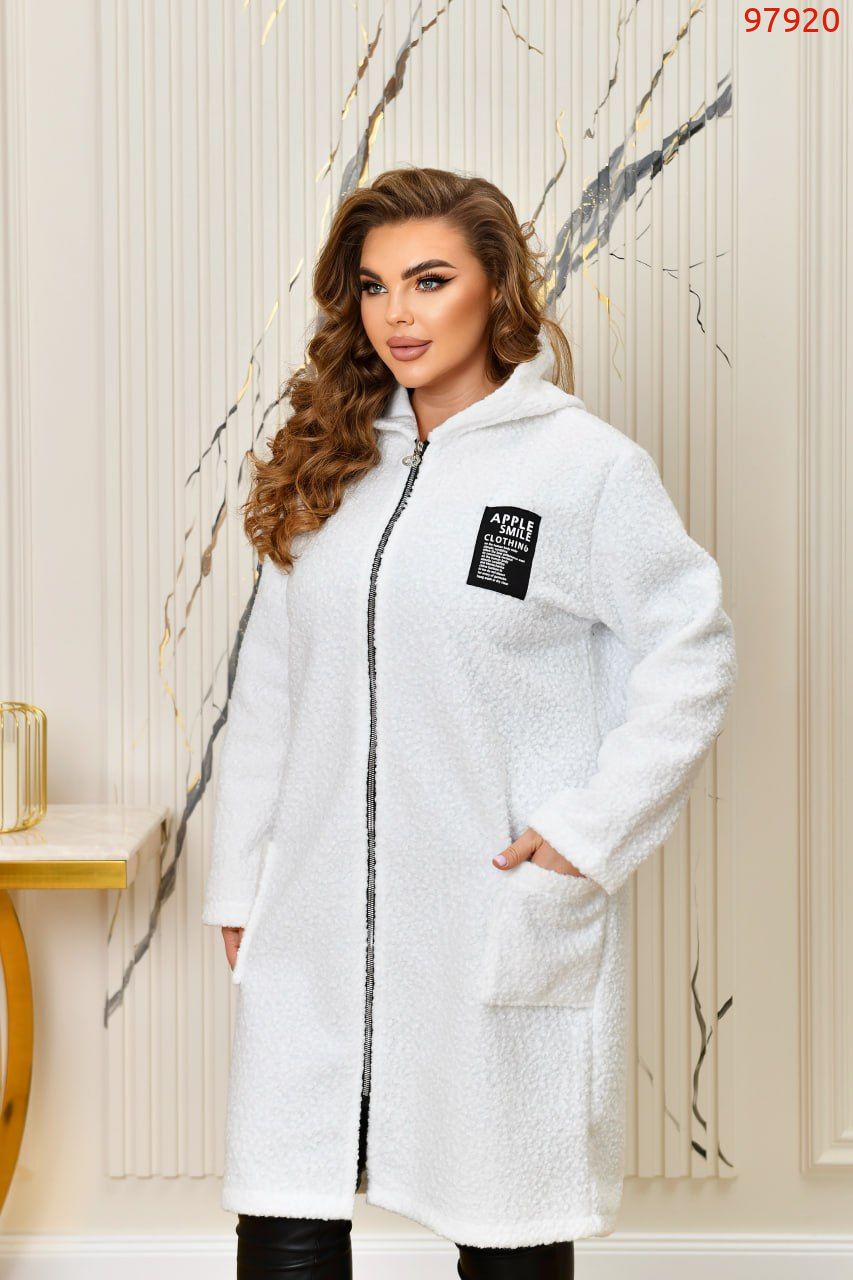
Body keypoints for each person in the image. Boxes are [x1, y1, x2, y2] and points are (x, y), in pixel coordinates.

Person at [202, 166, 737, 1279]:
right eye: (373, 286)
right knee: (287, 1210)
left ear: (496, 287)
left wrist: (586, 834)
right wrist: (242, 882)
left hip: (486, 904)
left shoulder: (581, 469)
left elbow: (690, 651)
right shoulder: (333, 460)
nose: (397, 314)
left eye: (430, 280)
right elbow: (271, 692)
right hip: (314, 909)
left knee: (506, 1225)